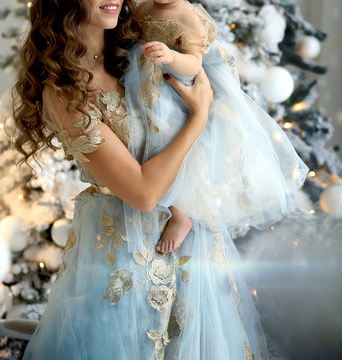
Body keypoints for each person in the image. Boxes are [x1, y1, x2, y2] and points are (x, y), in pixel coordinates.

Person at [13, 0, 269, 359]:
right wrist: (198, 117)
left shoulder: (138, 49)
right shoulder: (64, 90)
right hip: (125, 248)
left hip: (191, 238)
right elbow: (145, 194)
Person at [122, 0, 309, 254]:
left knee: (165, 143)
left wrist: (172, 56)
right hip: (142, 83)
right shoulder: (144, 7)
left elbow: (194, 63)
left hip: (171, 91)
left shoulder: (186, 15)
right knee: (140, 142)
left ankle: (181, 214)